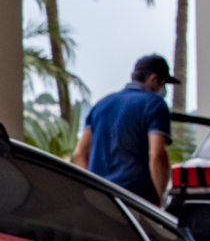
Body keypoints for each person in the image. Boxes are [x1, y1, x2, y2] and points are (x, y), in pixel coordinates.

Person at [74, 55, 173, 204]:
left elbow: (79, 153)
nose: (164, 89)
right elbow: (157, 154)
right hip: (136, 201)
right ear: (154, 79)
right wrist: (160, 201)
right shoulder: (155, 105)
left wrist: (91, 190)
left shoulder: (101, 105)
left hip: (100, 199)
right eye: (164, 83)